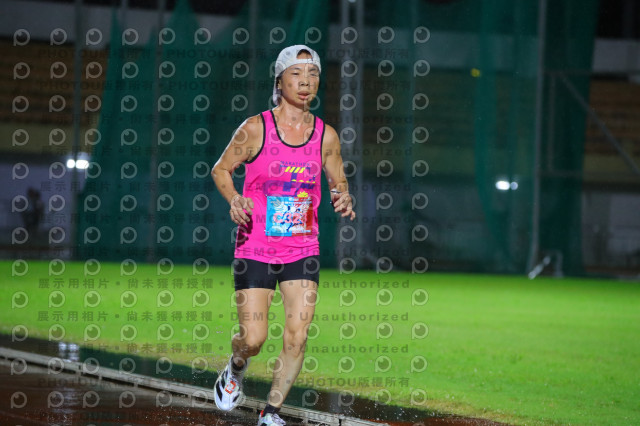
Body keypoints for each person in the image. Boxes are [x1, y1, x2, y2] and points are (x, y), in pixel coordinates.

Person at [211, 45, 355, 426]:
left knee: (297, 336)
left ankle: (270, 413)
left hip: (302, 249)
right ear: (279, 81)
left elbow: (339, 182)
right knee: (253, 338)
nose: (306, 81)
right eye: (297, 73)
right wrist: (235, 199)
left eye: (313, 73)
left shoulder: (326, 136)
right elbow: (221, 169)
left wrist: (343, 196)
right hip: (256, 246)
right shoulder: (255, 128)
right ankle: (236, 366)